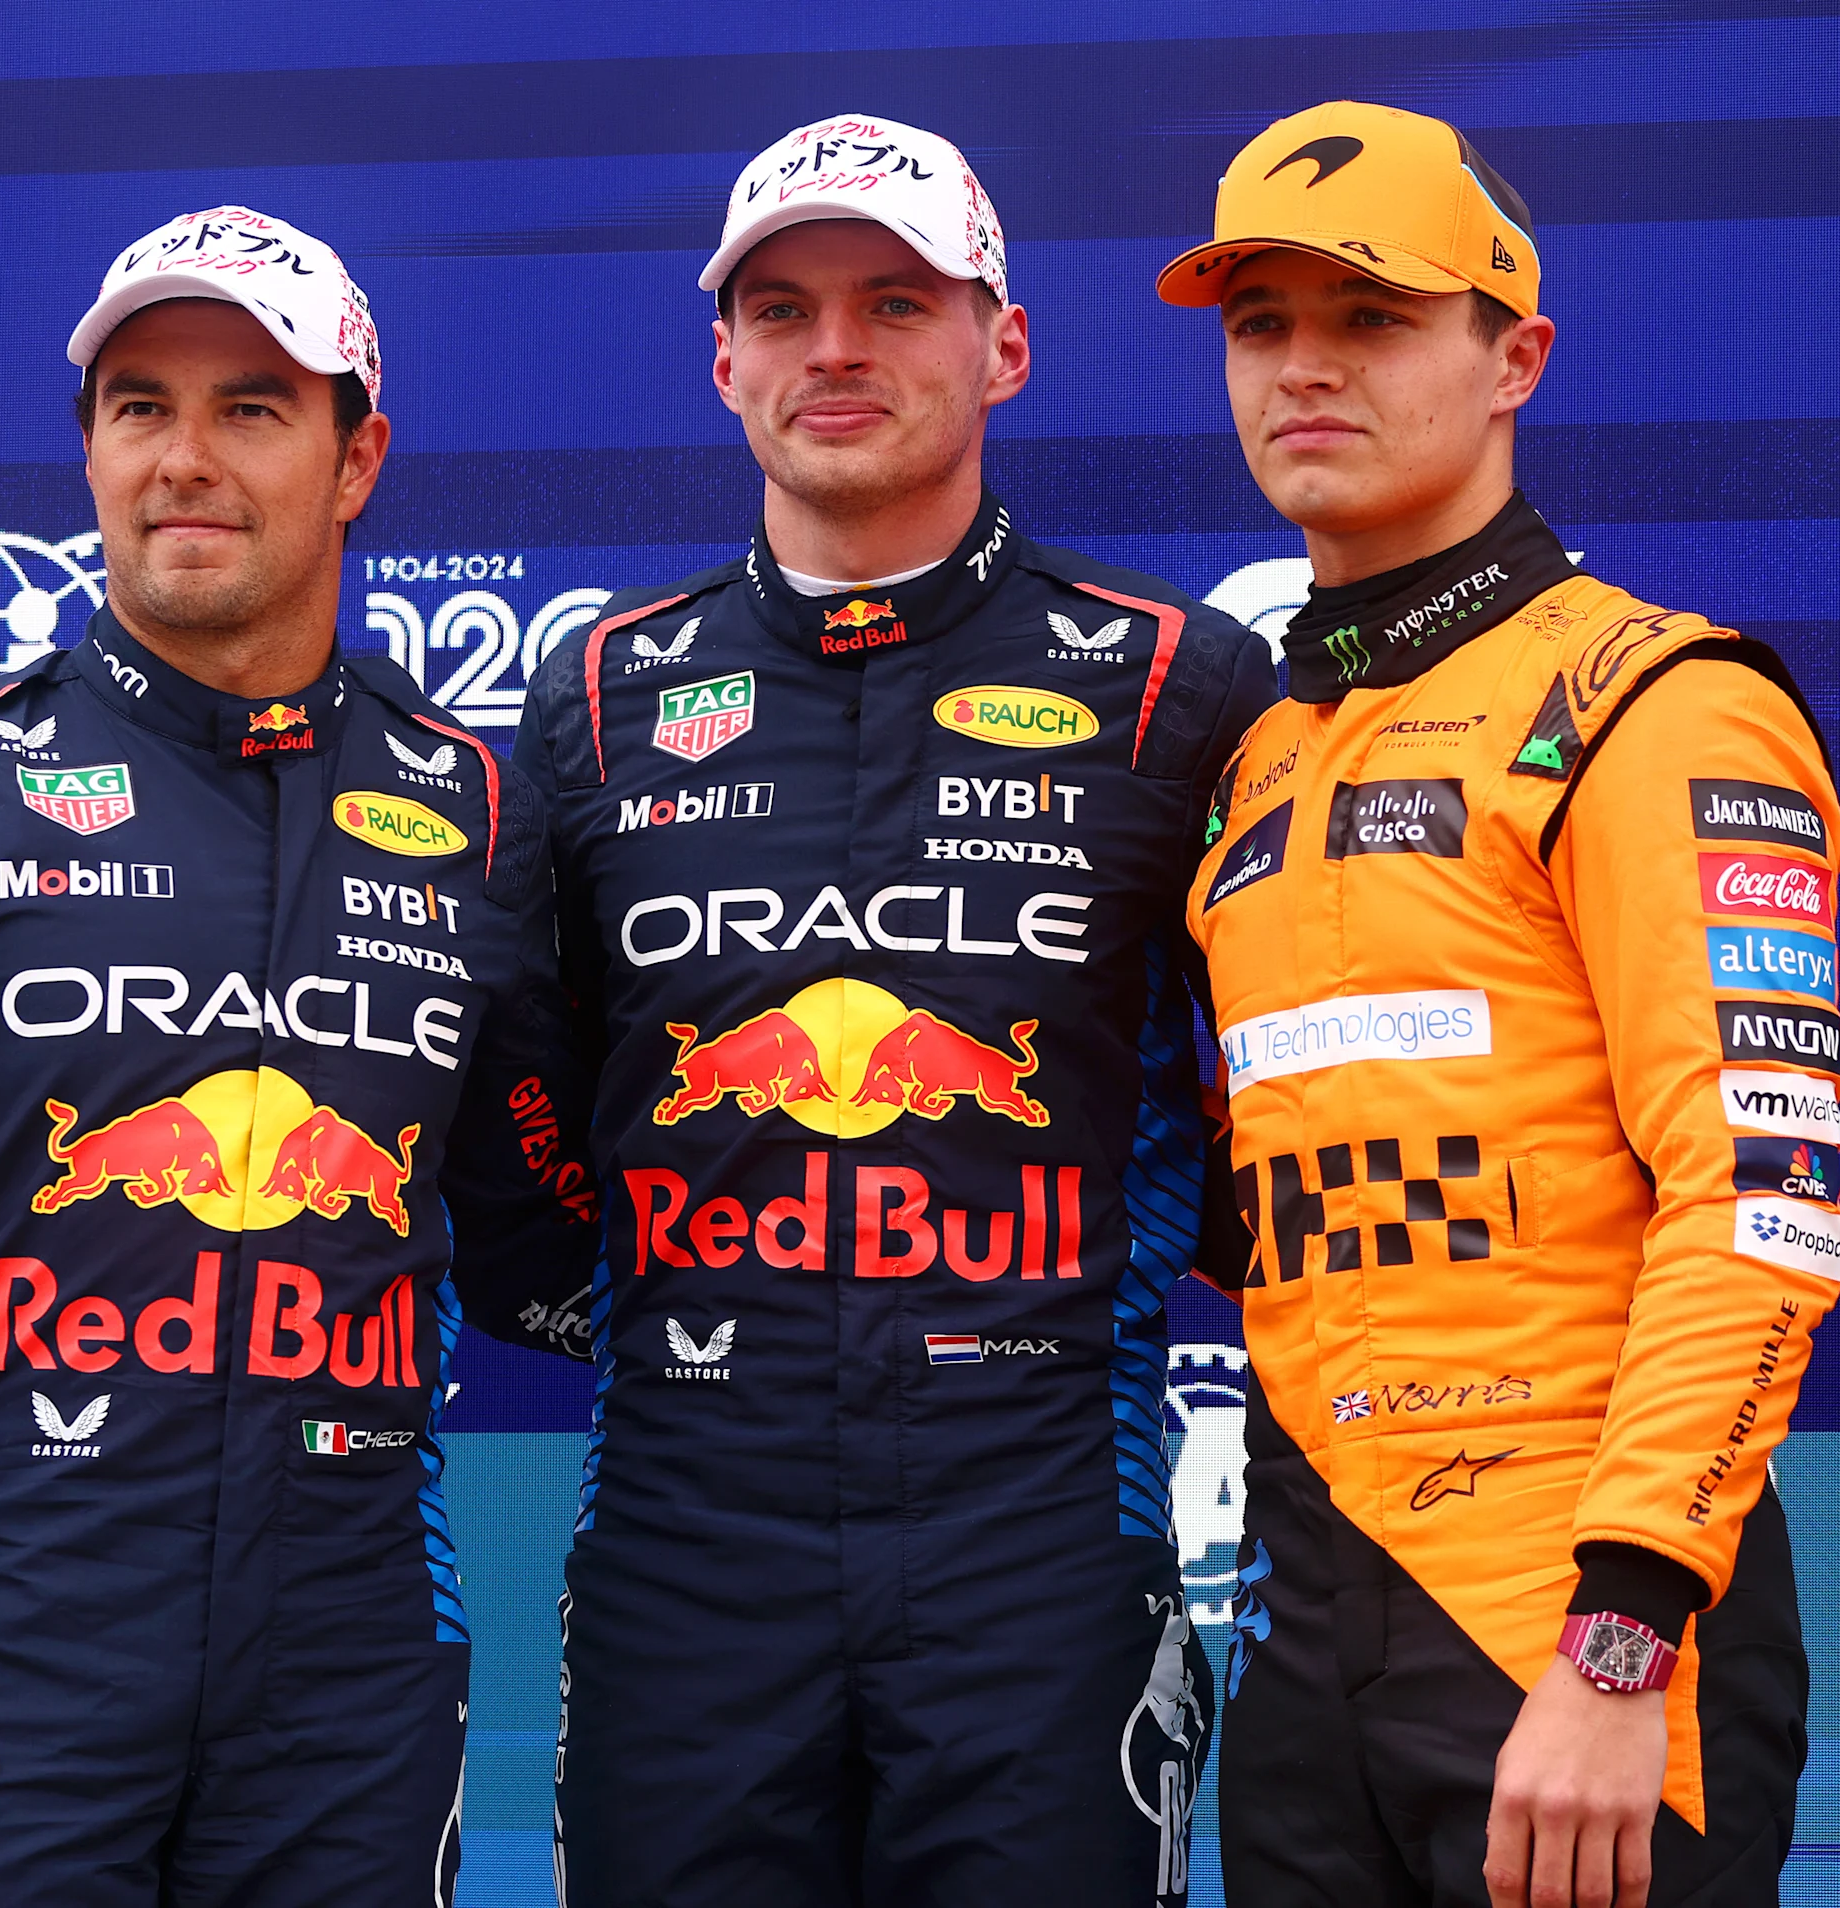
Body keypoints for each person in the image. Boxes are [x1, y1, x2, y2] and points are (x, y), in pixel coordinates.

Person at [0, 206, 595, 1908]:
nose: (186, 459)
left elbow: (551, 1238)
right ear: (91, 446)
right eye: (140, 406)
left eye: (252, 406)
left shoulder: (478, 813)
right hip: (10, 1654)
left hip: (359, 1670)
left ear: (356, 457)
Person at [481, 113, 1276, 1908]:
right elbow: (513, 1114)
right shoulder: (598, 698)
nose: (834, 350)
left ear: (1003, 344)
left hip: (1045, 1525)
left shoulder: (1181, 685)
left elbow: (1276, 1112)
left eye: (895, 301)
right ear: (725, 363)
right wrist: (669, 1330)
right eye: (784, 309)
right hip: (688, 1535)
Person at [1158, 103, 1840, 1908]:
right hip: (1311, 1638)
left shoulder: (1657, 702)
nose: (1304, 369)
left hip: (1574, 1637)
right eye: (1261, 325)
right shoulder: (1257, 762)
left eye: (1373, 318)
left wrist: (1620, 1651)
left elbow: (1756, 1202)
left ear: (1513, 356)